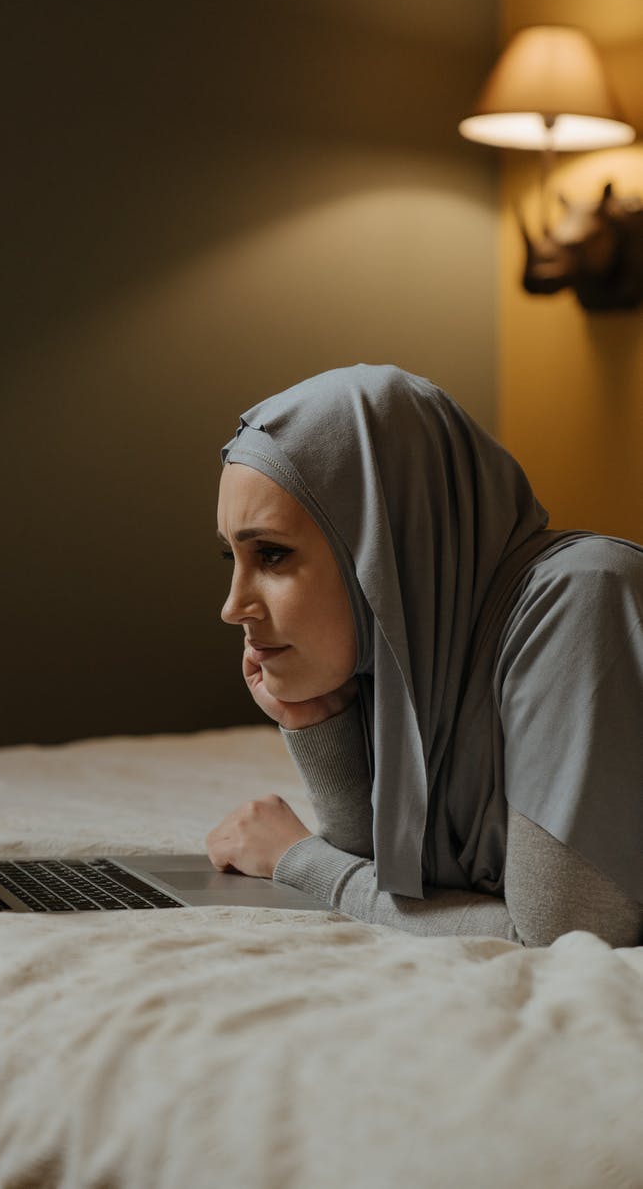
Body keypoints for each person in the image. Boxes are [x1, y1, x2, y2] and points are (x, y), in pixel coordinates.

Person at [206, 365, 643, 947]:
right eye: (231, 558)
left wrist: (299, 861)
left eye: (273, 555)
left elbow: (566, 939)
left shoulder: (585, 595)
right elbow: (397, 881)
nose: (233, 607)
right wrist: (317, 718)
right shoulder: (424, 655)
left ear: (384, 539)